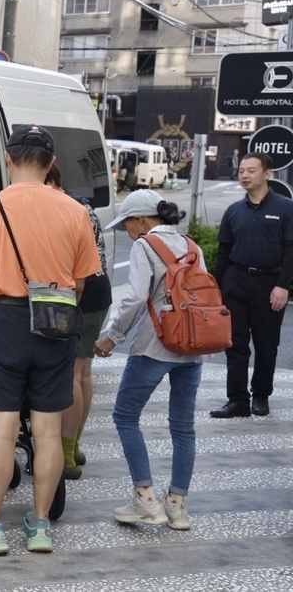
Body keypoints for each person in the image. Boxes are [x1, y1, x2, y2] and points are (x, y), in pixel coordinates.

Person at [0, 124, 100, 555]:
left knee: (1, 432)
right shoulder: (76, 211)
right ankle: (38, 527)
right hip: (55, 323)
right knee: (49, 432)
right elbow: (80, 284)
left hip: (4, 321)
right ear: (51, 163)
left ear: (8, 159)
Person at [94, 189, 203, 530]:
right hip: (194, 344)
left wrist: (113, 336)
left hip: (156, 343)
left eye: (126, 223)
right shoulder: (191, 245)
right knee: (183, 426)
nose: (127, 231)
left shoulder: (145, 245)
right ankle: (177, 506)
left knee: (125, 416)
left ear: (141, 220)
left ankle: (145, 499)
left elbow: (136, 297)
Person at [210, 152, 293, 418]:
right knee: (235, 343)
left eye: (251, 170)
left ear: (267, 173)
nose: (244, 175)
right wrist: (216, 288)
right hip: (236, 280)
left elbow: (291, 250)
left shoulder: (285, 208)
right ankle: (237, 400)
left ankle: (260, 396)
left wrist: (284, 285)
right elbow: (223, 253)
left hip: (270, 283)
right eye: (242, 170)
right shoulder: (234, 210)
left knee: (266, 343)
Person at [44, 164, 112, 480]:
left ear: (52, 181)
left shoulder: (64, 209)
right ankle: (75, 444)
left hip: (80, 292)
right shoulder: (80, 204)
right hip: (100, 290)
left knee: (72, 373)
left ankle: (66, 454)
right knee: (83, 371)